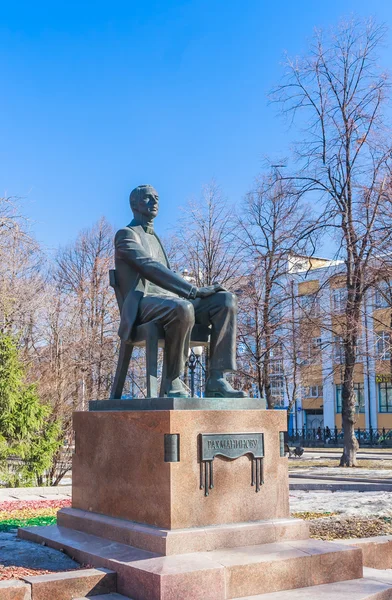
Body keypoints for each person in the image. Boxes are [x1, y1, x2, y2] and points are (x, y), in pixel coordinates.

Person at [114, 184, 247, 398]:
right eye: (148, 198)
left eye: (157, 198)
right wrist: (193, 291)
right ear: (134, 204)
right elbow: (148, 266)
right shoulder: (126, 235)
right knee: (183, 308)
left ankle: (217, 378)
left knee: (225, 301)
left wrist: (192, 294)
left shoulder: (155, 237)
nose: (155, 202)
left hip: (169, 302)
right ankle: (172, 380)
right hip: (142, 305)